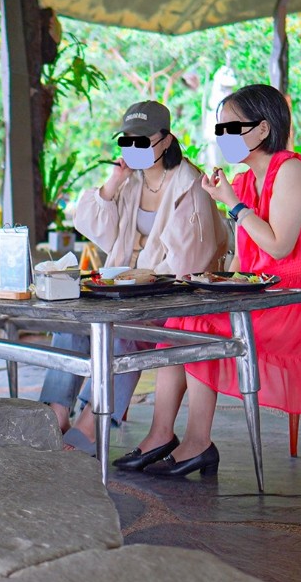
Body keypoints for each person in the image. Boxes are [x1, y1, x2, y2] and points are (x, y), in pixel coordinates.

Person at [115, 83, 301, 477]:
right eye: (219, 129)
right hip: (263, 290)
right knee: (181, 324)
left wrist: (233, 205)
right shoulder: (243, 181)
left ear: (263, 129)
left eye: (231, 128)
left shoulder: (291, 170)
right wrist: (217, 281)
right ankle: (160, 435)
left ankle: (198, 442)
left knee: (203, 327)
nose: (223, 138)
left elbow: (277, 245)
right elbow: (243, 259)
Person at [38, 100, 229, 453]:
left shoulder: (189, 185)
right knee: (72, 319)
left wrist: (140, 280)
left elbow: (190, 260)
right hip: (124, 288)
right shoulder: (130, 184)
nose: (134, 148)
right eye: (127, 141)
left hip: (173, 295)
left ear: (166, 140)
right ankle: (56, 412)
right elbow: (94, 227)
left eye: (143, 141)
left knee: (120, 333)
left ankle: (92, 424)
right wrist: (113, 182)